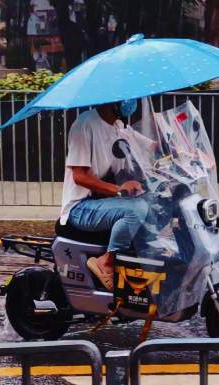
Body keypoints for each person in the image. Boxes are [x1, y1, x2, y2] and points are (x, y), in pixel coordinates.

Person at [60, 100, 155, 291]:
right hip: (81, 207)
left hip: (104, 202)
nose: (132, 102)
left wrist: (188, 153)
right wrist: (119, 189)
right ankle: (107, 262)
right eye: (126, 97)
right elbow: (80, 176)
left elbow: (151, 146)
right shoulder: (84, 125)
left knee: (156, 206)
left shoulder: (119, 127)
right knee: (136, 210)